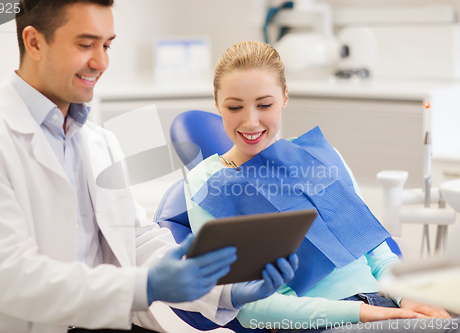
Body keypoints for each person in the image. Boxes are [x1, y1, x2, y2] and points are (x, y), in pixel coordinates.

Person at [0, 3, 299, 333]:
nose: (101, 61)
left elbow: (135, 242)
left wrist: (225, 289)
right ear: (34, 42)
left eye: (106, 45)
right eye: (85, 44)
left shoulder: (98, 141)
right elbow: (11, 276)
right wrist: (146, 286)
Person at [184, 40, 460, 333]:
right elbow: (250, 309)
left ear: (285, 98)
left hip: (388, 307)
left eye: (264, 104)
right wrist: (365, 314)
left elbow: (378, 253)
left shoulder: (320, 156)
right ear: (217, 104)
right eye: (234, 107)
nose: (250, 121)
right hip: (325, 322)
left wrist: (409, 298)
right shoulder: (207, 183)